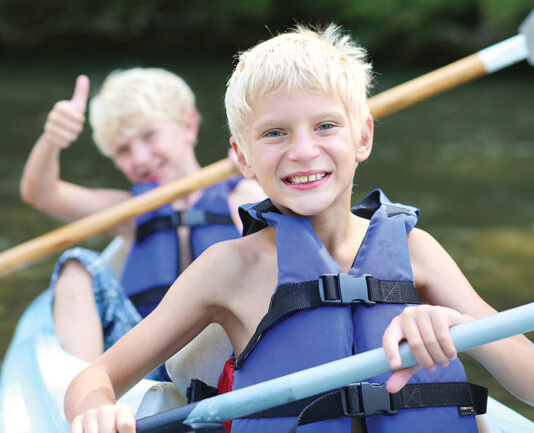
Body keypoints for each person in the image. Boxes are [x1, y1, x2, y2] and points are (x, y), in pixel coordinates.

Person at [64, 26, 534, 433]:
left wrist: (463, 328)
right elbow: (95, 378)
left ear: (363, 137)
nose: (304, 150)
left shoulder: (418, 252)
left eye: (326, 125)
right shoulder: (228, 269)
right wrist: (96, 410)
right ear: (243, 156)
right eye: (275, 133)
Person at [19, 68, 264, 377]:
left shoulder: (243, 192)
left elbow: (289, 237)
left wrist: (255, 166)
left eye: (150, 135)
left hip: (225, 350)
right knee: (76, 265)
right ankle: (88, 397)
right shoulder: (128, 212)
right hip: (144, 359)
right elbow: (41, 193)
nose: (139, 158)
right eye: (123, 150)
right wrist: (51, 141)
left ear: (188, 125)